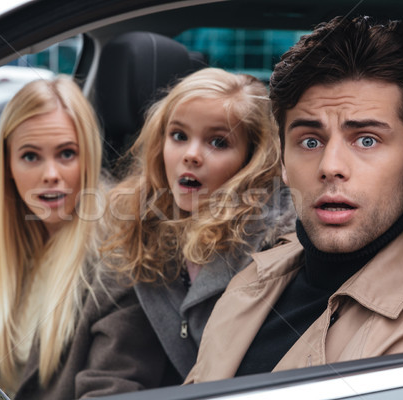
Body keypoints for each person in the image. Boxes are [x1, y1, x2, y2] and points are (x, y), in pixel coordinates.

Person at [185, 15, 403, 384]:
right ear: (284, 161)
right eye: (310, 141)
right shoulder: (255, 274)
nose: (331, 167)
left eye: (366, 140)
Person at [0, 76, 165, 399]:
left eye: (67, 154)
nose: (51, 174)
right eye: (30, 156)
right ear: (9, 166)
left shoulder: (119, 252)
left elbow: (110, 387)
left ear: (88, 157)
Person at [102, 67, 296, 383]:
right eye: (179, 136)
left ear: (251, 158)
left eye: (218, 142)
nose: (191, 155)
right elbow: (126, 357)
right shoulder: (143, 230)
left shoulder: (275, 246)